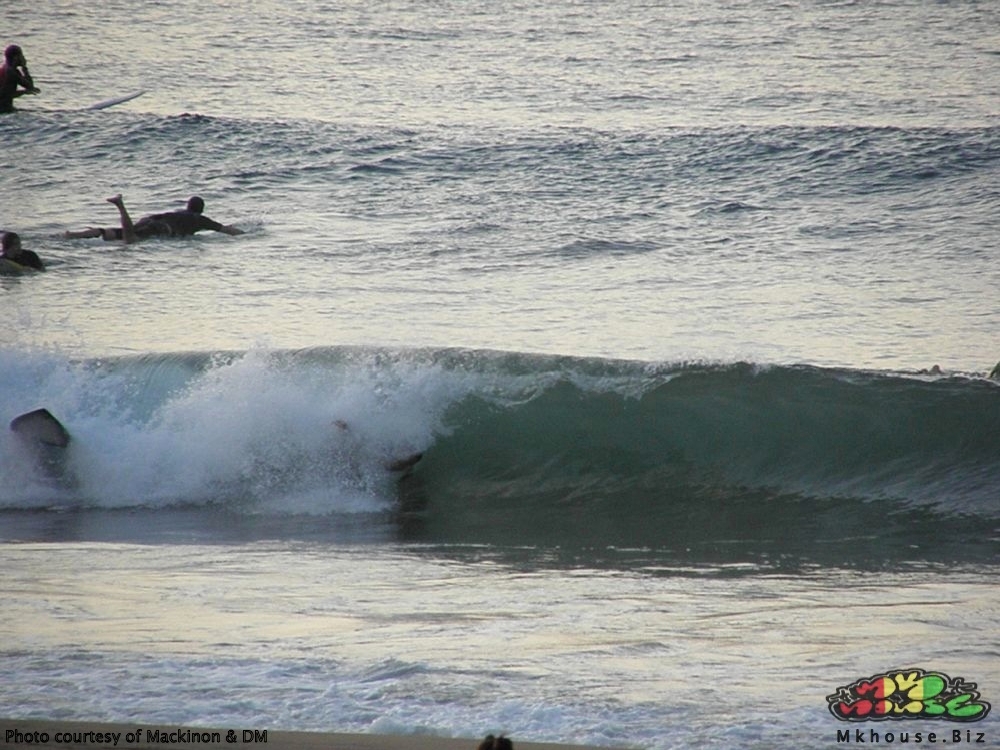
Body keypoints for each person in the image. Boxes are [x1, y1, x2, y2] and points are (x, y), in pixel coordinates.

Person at [64, 194, 244, 244]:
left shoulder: (180, 213)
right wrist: (246, 235)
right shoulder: (200, 219)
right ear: (201, 210)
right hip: (161, 228)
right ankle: (120, 206)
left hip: (151, 220)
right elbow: (226, 230)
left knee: (112, 234)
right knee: (131, 240)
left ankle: (73, 235)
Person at [0, 44, 39, 113]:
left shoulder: (6, 69)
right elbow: (30, 86)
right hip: (4, 109)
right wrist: (24, 67)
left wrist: (24, 92)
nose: (23, 58)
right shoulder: (11, 72)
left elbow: (8, 93)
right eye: (21, 55)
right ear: (16, 57)